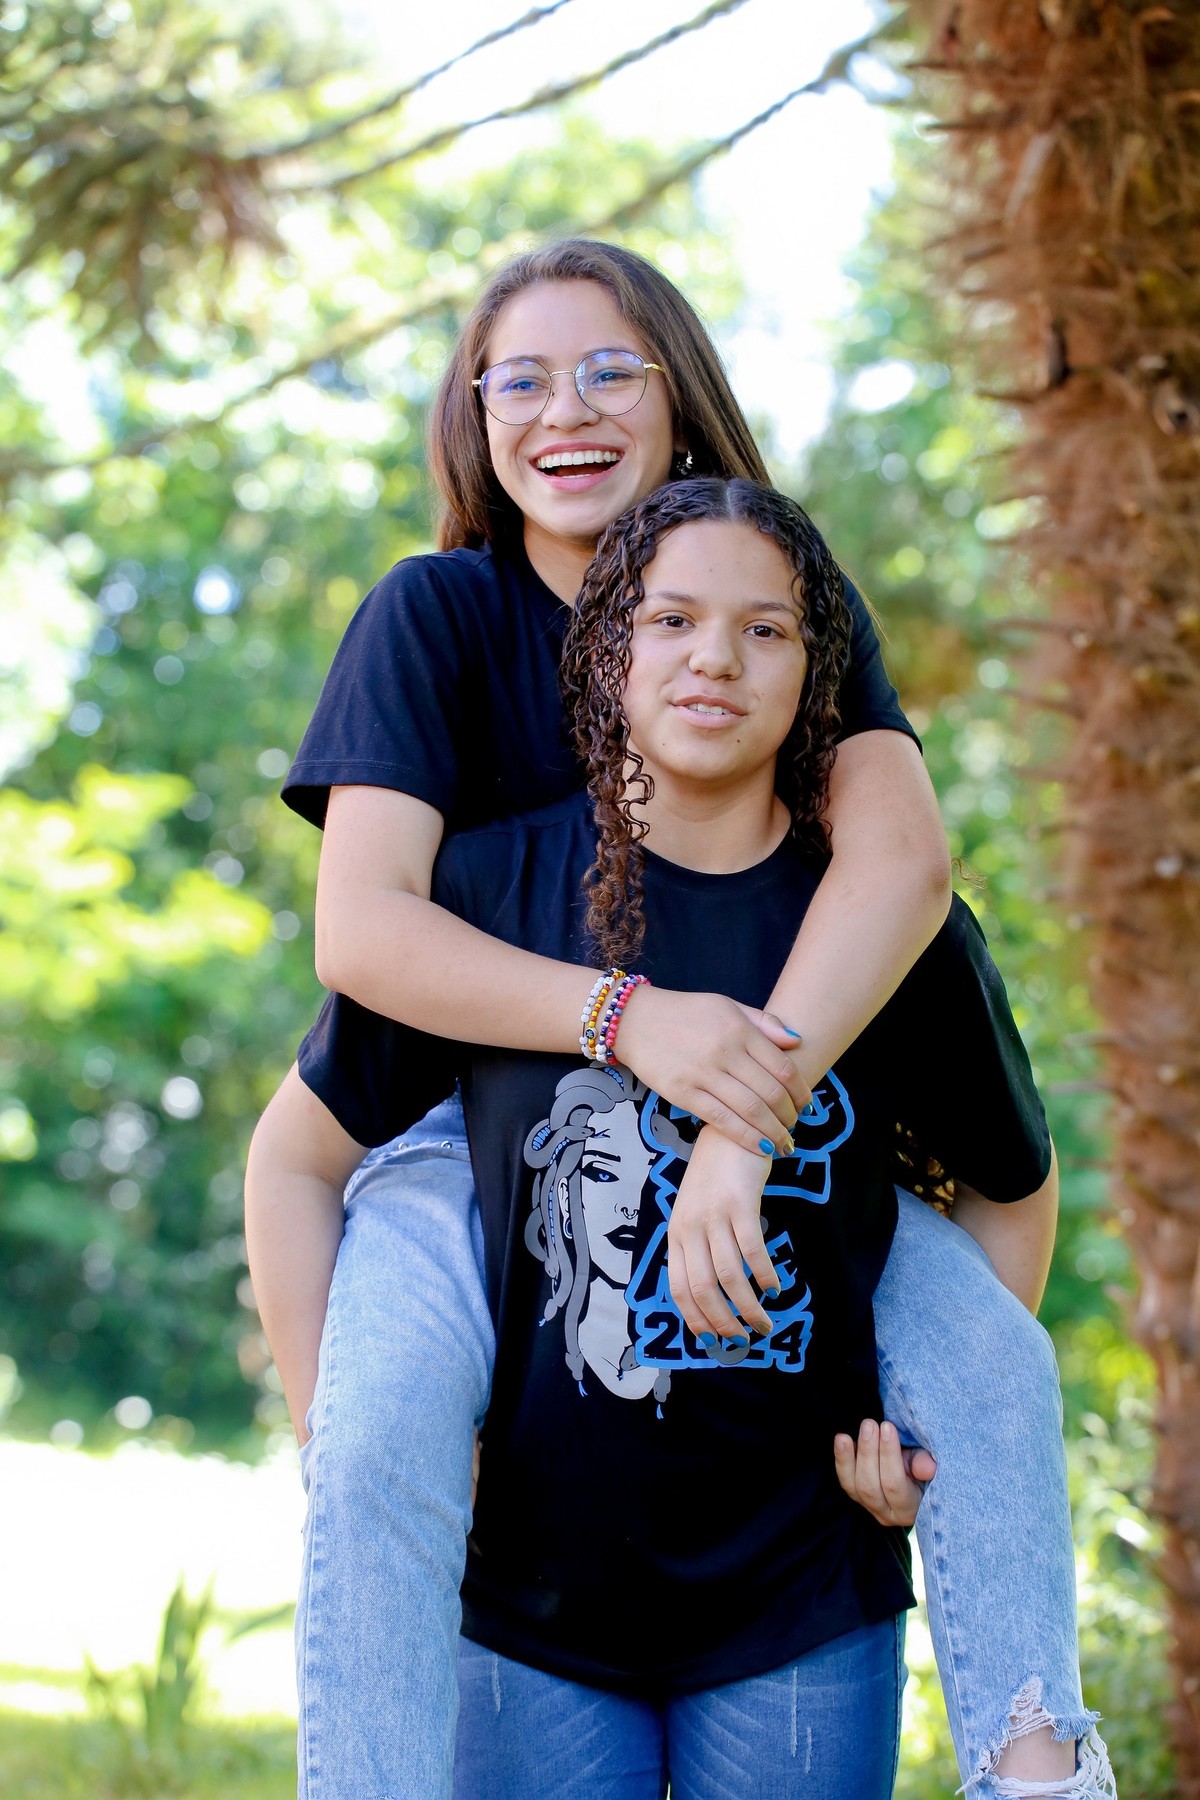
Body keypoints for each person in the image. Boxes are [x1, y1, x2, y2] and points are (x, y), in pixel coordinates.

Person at [244, 240, 1113, 1799]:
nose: (564, 409)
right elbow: (365, 932)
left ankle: (1041, 1773)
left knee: (987, 1365)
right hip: (470, 1117)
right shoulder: (438, 615)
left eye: (609, 370)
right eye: (520, 379)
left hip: (783, 1104)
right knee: (374, 1446)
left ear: (682, 396)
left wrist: (739, 1118)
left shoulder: (776, 583)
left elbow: (901, 868)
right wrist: (627, 1021)